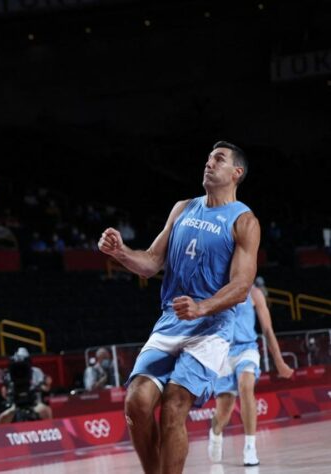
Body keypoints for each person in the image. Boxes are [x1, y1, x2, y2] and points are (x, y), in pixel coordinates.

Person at [98, 141, 260, 474]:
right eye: (208, 157)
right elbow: (151, 262)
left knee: (173, 407)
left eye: (218, 159)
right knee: (137, 402)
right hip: (171, 321)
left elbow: (242, 286)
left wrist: (202, 308)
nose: (209, 163)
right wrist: (120, 252)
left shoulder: (244, 221)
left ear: (236, 172)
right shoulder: (183, 208)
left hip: (211, 329)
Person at [207, 280, 294, 466]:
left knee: (246, 386)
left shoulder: (254, 293)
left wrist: (279, 361)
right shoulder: (215, 291)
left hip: (247, 349)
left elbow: (268, 330)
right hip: (222, 352)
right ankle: (215, 434)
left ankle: (250, 447)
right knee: (224, 411)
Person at [0, 347, 52, 424]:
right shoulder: (10, 374)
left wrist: (43, 386)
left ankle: (49, 431)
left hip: (34, 402)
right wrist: (8, 393)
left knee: (46, 411)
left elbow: (46, 388)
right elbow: (4, 393)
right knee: (2, 417)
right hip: (16, 404)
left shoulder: (36, 371)